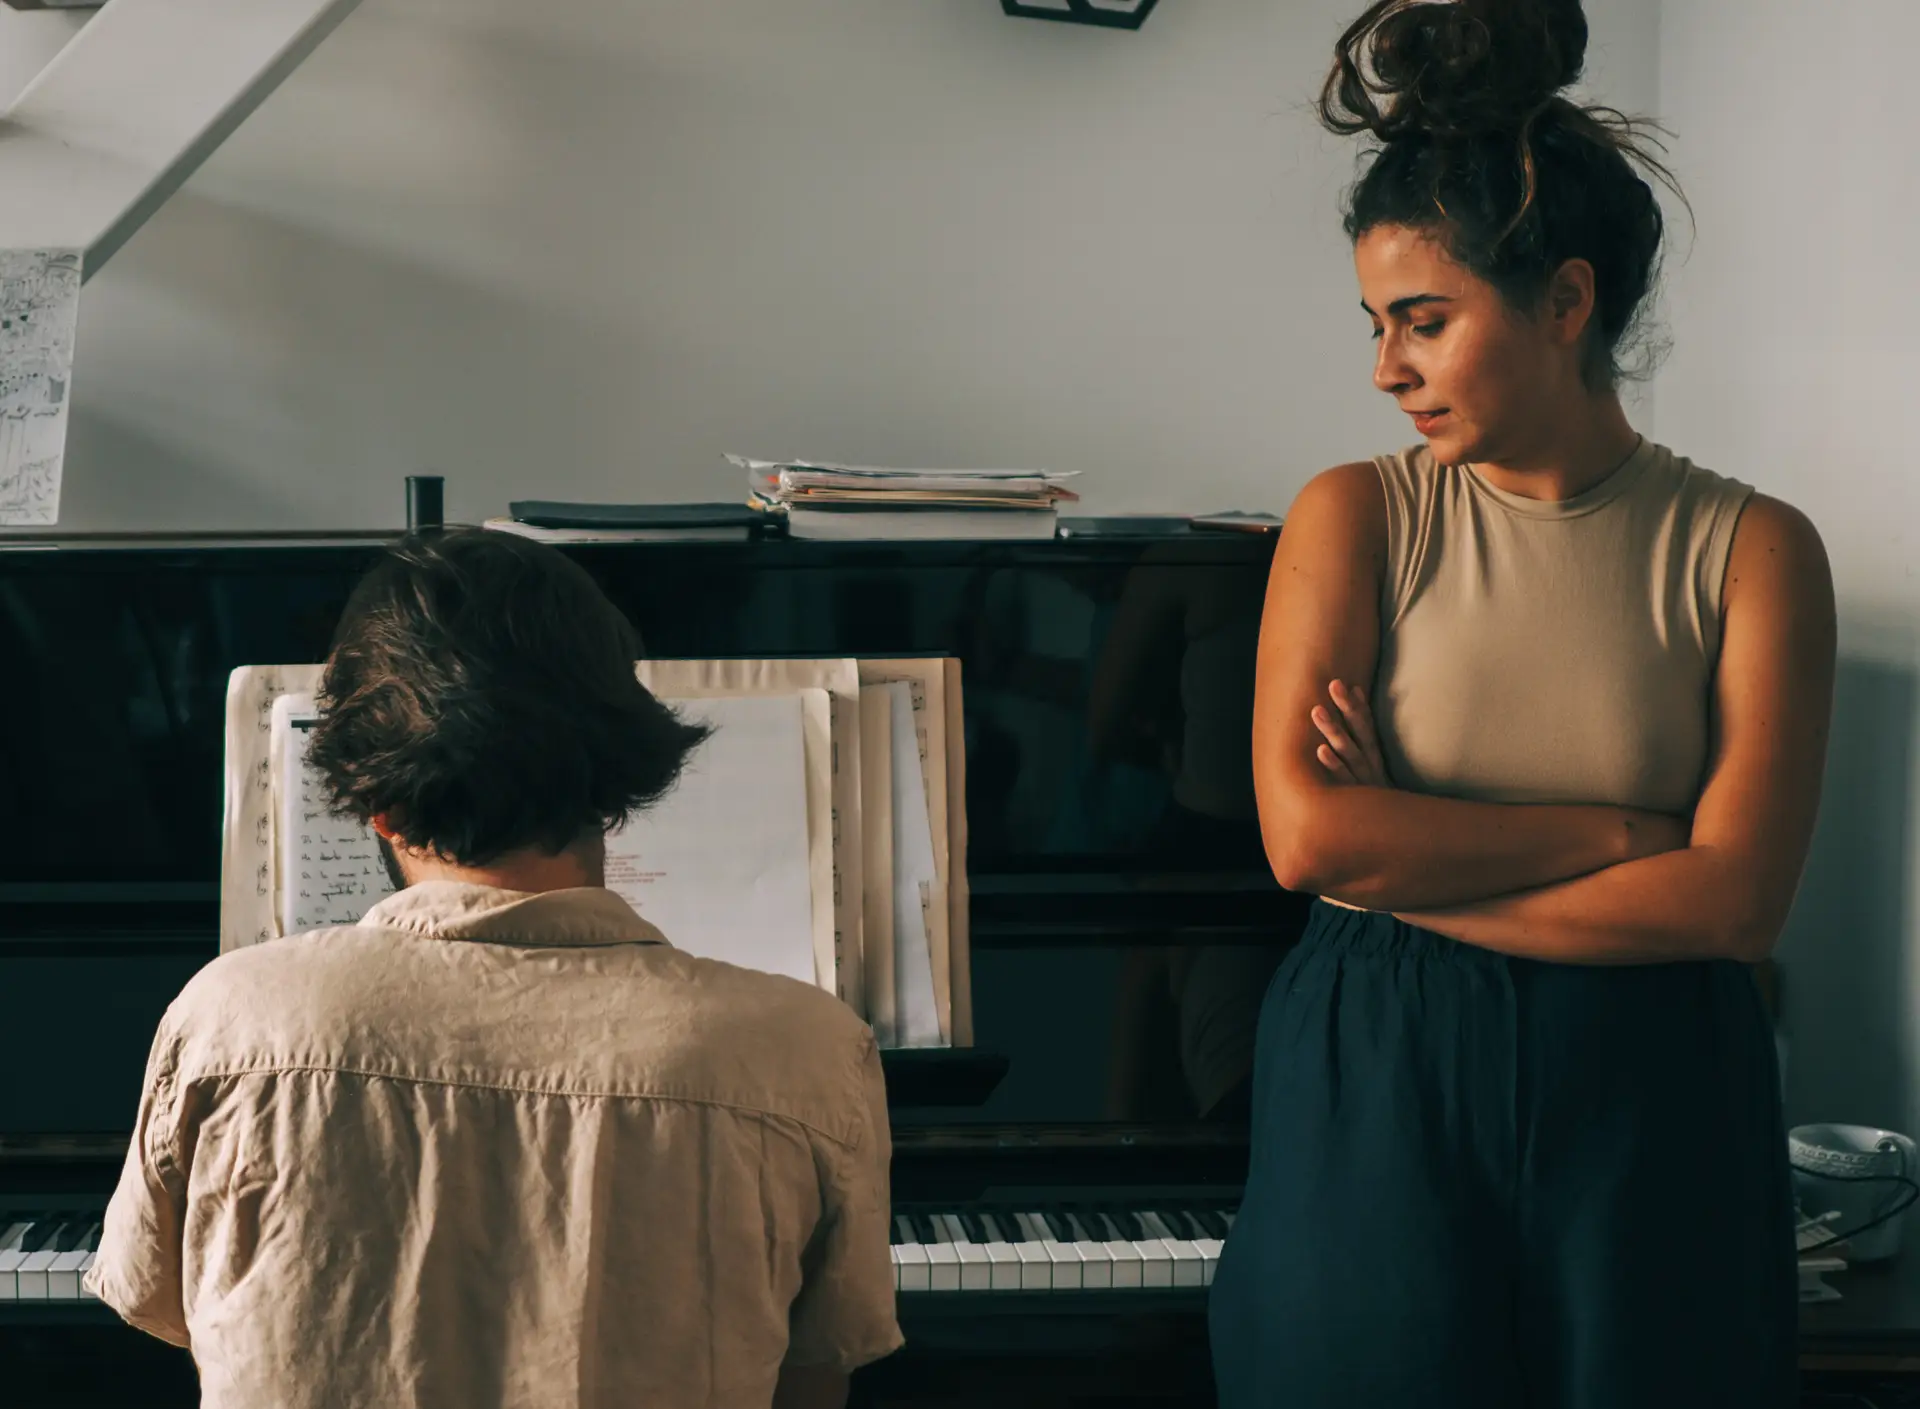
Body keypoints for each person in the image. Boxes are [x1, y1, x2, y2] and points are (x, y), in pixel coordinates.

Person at [1208, 2, 1835, 1406]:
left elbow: (1732, 908)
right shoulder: (1352, 515)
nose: (1387, 367)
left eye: (1425, 321)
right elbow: (1311, 846)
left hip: (1655, 1087)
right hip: (1377, 1075)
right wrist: (1625, 830)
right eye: (1376, 324)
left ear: (1564, 300)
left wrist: (1407, 865)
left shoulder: (1755, 547)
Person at [85, 528, 902, 1409]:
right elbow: (815, 1378)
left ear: (382, 809)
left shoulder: (227, 1021)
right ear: (617, 785)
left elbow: (170, 1309)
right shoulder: (807, 1047)